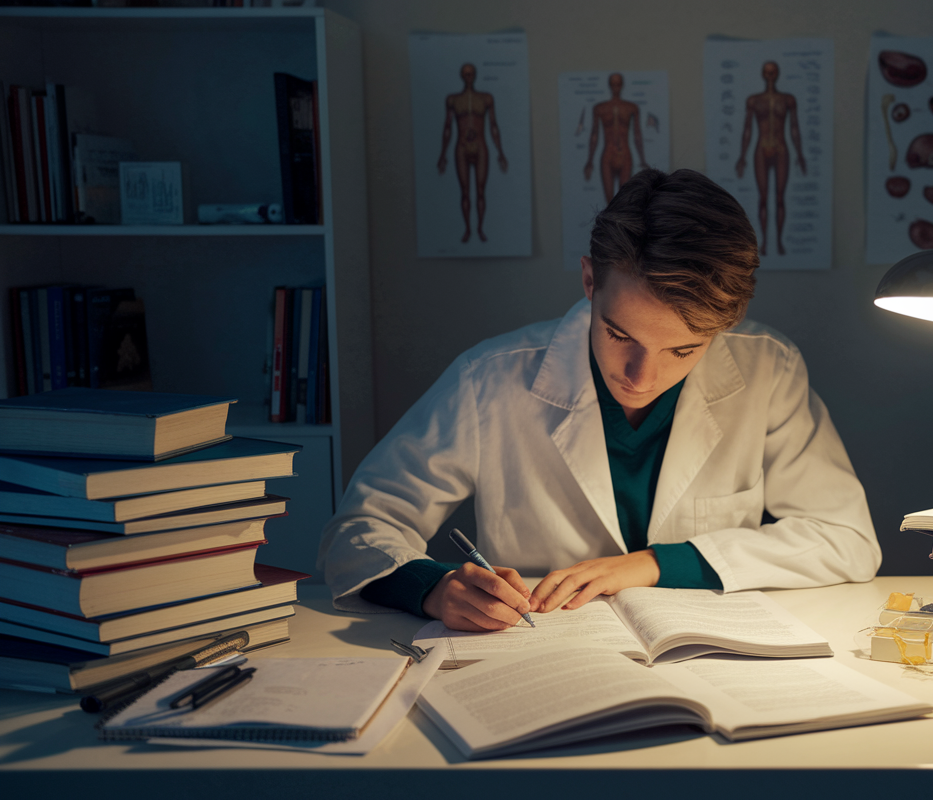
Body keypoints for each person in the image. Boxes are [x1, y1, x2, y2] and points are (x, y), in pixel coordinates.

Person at [317, 168, 879, 631]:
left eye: (682, 350)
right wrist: (433, 588)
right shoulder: (489, 379)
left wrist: (655, 565)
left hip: (708, 652)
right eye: (619, 335)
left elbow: (846, 539)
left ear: (723, 327)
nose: (641, 376)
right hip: (543, 651)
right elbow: (360, 528)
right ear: (589, 281)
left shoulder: (767, 369)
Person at [735, 61, 806, 256]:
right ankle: (765, 242)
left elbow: (794, 128)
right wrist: (742, 156)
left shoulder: (788, 100)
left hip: (781, 149)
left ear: (777, 74)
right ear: (762, 74)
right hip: (761, 148)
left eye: (773, 72)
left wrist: (800, 154)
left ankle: (779, 242)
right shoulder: (754, 100)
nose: (770, 75)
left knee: (780, 198)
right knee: (763, 198)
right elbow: (747, 129)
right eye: (767, 72)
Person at [437, 62, 508, 243]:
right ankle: (468, 229)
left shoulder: (485, 98)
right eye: (465, 74)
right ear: (462, 76)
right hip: (461, 146)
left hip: (480, 145)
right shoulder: (453, 100)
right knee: (465, 192)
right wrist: (442, 154)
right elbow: (447, 127)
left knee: (481, 191)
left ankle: (480, 228)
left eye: (471, 74)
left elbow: (493, 126)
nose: (468, 77)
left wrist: (500, 152)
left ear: (475, 75)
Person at [584, 73, 648, 203]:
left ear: (622, 85)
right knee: (609, 203)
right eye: (613, 84)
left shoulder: (631, 108)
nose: (616, 87)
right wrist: (590, 160)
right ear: (609, 85)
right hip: (608, 155)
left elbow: (637, 134)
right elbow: (594, 135)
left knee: (623, 201)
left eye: (618, 84)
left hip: (625, 155)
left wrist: (642, 159)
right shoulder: (600, 108)